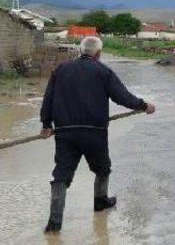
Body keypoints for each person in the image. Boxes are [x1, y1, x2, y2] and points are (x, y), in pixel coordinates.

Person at [40, 36, 156, 234]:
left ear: (80, 51)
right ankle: (101, 202)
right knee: (102, 169)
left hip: (65, 132)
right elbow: (122, 96)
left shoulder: (61, 70)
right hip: (95, 132)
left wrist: (46, 123)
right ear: (98, 54)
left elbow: (48, 97)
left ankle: (54, 224)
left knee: (61, 175)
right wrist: (144, 105)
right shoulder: (103, 71)